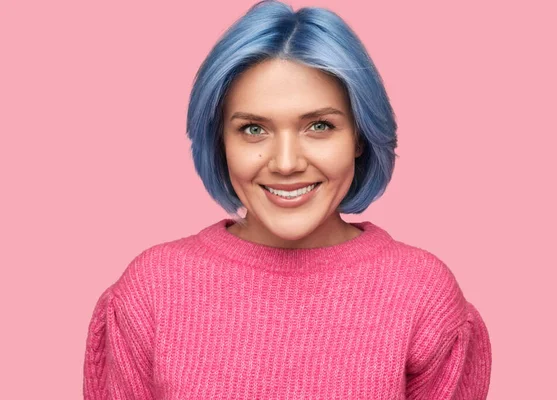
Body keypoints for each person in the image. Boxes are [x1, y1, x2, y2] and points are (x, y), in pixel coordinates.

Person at [83, 1, 492, 398]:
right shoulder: (152, 291)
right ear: (219, 141)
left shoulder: (422, 294)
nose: (285, 163)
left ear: (360, 138)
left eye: (318, 125)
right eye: (253, 130)